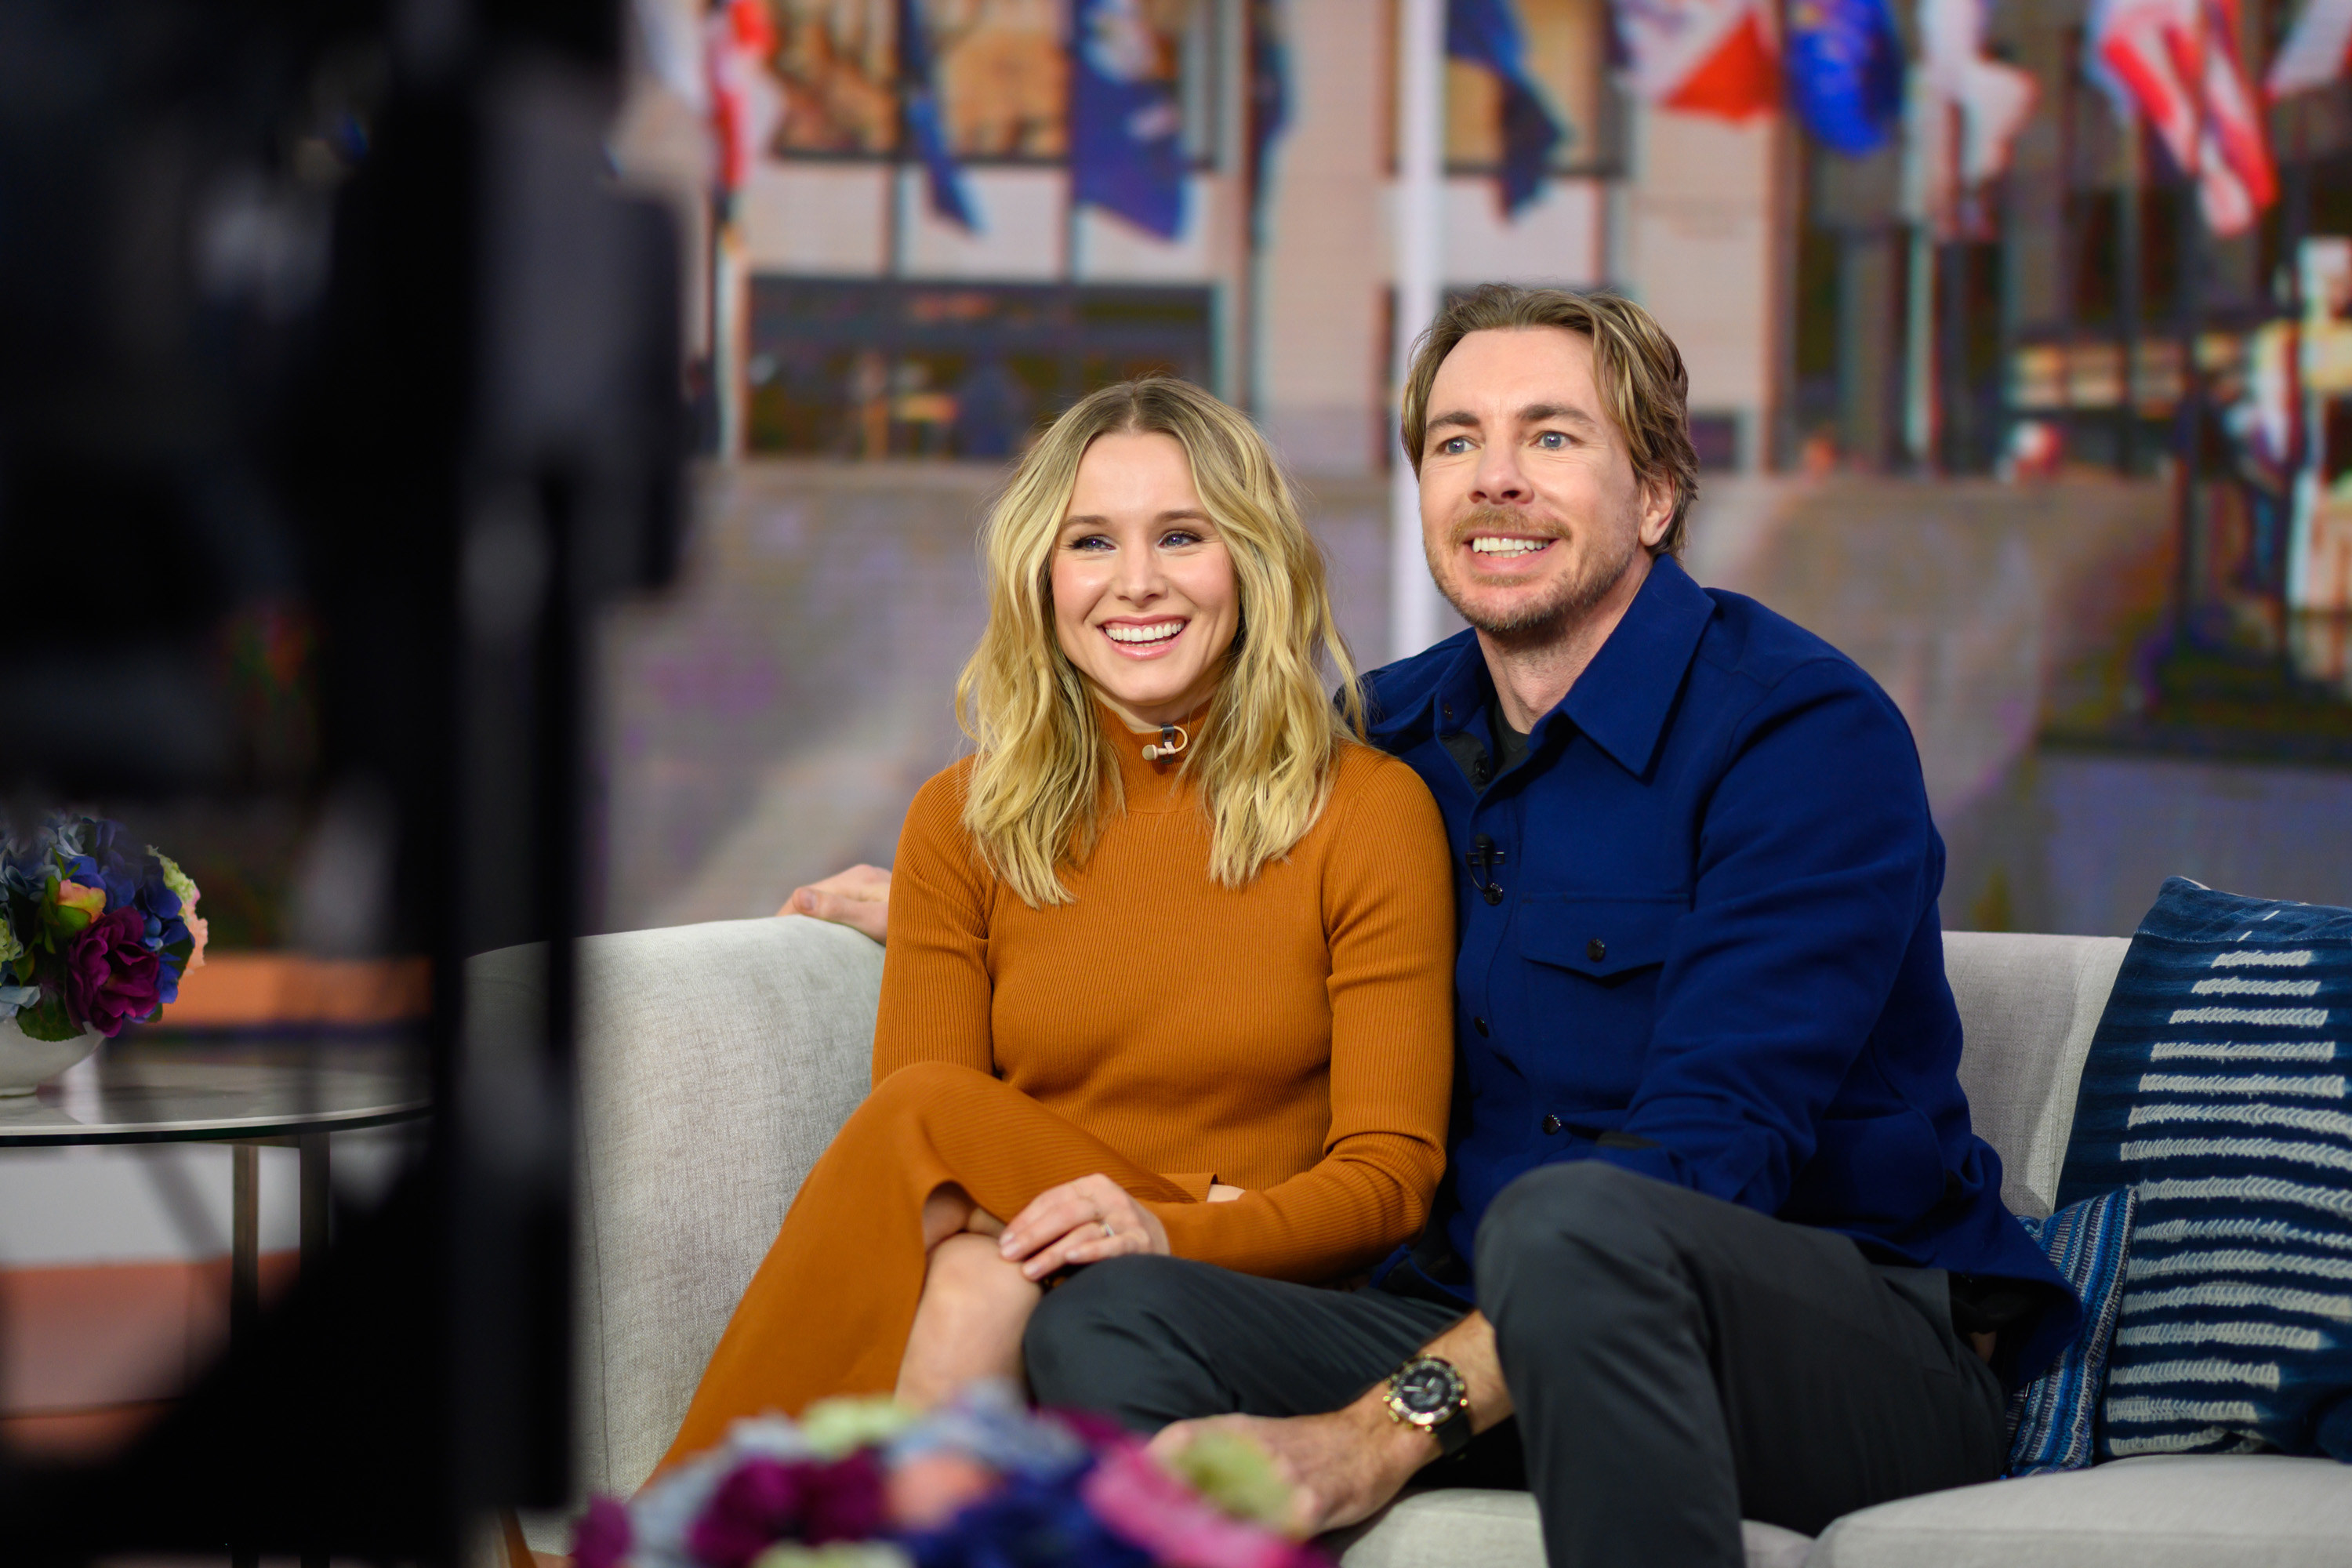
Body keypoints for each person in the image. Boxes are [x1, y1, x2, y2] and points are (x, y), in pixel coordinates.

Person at [795, 288, 2082, 1567]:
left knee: (1572, 1223)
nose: (1496, 480)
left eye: (1553, 438)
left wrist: (1378, 1433)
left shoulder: (1801, 736)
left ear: (1655, 494)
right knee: (1115, 1319)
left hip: (1816, 1347)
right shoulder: (1383, 742)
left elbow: (1711, 1153)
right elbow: (1217, 903)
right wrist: (958, 910)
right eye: (1457, 442)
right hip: (1474, 1324)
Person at [659, 376, 1456, 1467]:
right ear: (1041, 578)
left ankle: (676, 1521)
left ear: (1251, 564)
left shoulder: (1367, 811)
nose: (1136, 584)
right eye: (1091, 543)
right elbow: (937, 1203)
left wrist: (1176, 1221)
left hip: (1260, 1290)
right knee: (968, 1276)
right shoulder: (961, 822)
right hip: (1039, 1255)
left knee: (929, 1123)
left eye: (1182, 536)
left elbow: (1389, 1178)